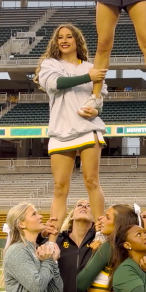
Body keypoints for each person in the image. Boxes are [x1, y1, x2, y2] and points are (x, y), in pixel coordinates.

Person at [35, 23, 108, 239]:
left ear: (77, 41)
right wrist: (89, 77)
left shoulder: (90, 66)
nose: (64, 40)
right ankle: (52, 238)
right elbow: (56, 84)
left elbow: (99, 98)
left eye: (69, 37)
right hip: (60, 130)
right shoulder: (50, 64)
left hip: (87, 129)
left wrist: (95, 107)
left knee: (92, 181)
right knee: (59, 187)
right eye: (60, 38)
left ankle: (101, 233)